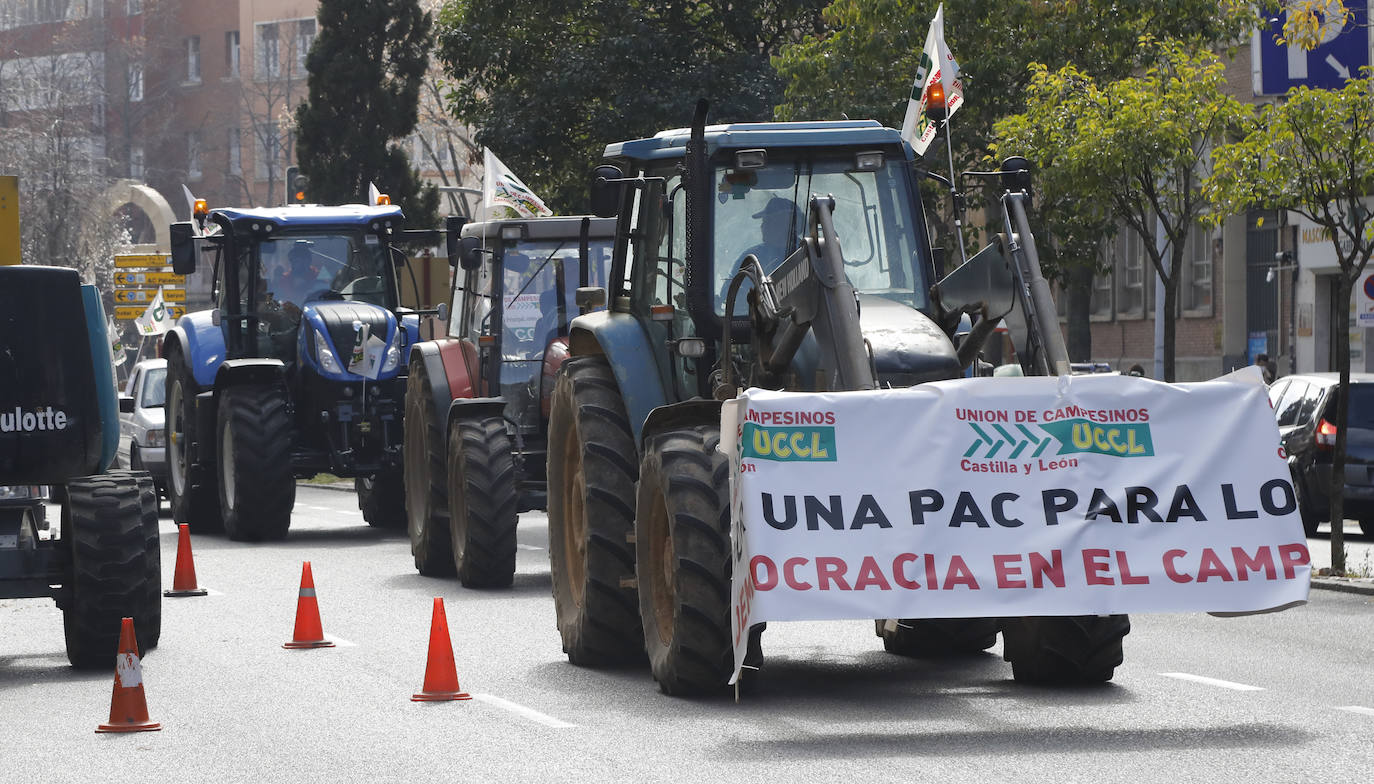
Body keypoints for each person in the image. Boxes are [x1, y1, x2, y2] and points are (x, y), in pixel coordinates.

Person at [721, 196, 804, 313]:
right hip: (758, 326)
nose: (762, 226)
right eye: (764, 222)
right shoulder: (752, 257)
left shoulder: (807, 254)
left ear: (785, 224)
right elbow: (728, 294)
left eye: (767, 222)